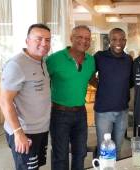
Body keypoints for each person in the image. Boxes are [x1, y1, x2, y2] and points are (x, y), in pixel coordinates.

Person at [0, 23, 51, 170]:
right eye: (39, 39)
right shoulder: (16, 64)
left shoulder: (42, 62)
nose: (44, 43)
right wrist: (18, 133)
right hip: (25, 131)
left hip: (40, 129)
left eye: (47, 40)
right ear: (27, 41)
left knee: (35, 166)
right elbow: (4, 102)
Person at [46, 25, 96, 170]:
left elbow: (92, 79)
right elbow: (41, 82)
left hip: (81, 113)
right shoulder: (54, 59)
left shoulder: (91, 60)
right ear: (71, 38)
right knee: (60, 155)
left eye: (87, 38)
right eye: (79, 37)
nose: (84, 41)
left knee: (80, 153)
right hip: (59, 113)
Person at [93, 28, 132, 158]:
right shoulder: (99, 56)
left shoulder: (128, 60)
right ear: (109, 41)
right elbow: (89, 75)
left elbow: (130, 81)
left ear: (125, 41)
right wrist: (100, 85)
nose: (118, 42)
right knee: (104, 149)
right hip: (104, 112)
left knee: (118, 149)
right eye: (114, 39)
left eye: (121, 39)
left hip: (123, 111)